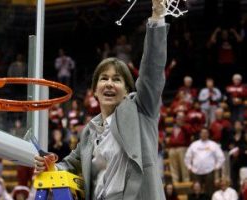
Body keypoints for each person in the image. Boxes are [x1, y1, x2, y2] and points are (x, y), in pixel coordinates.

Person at [34, 0, 169, 199]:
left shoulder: (141, 109)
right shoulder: (90, 130)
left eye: (117, 79)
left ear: (127, 91)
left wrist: (157, 18)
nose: (109, 84)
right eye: (103, 78)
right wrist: (48, 164)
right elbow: (69, 165)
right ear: (94, 90)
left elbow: (152, 72)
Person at [184, 127, 225, 197]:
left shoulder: (213, 145)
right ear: (200, 134)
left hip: (209, 171)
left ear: (208, 134)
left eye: (206, 133)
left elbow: (221, 157)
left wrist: (217, 166)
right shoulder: (194, 145)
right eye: (202, 133)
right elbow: (187, 157)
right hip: (196, 171)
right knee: (196, 190)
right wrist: (189, 167)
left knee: (210, 190)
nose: (204, 134)